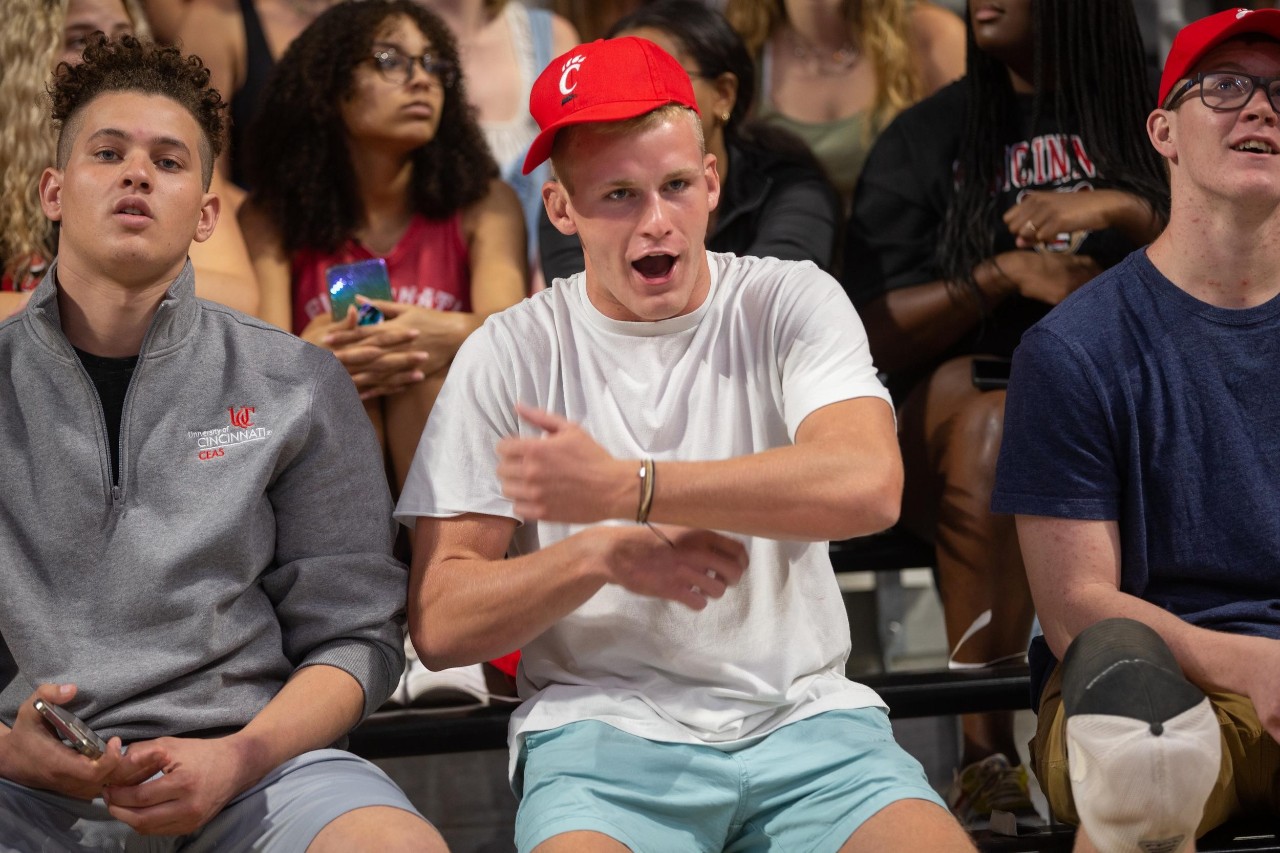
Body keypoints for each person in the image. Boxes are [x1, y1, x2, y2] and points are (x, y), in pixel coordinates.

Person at [397, 35, 977, 853]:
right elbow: (443, 622)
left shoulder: (788, 300)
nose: (656, 222)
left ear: (713, 180)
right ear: (560, 209)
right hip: (598, 740)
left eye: (675, 185)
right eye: (618, 195)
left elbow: (870, 484)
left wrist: (633, 485)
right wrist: (598, 553)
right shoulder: (510, 350)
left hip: (807, 722)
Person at [0, 34, 445, 851]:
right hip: (21, 783)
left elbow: (358, 634)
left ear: (207, 214)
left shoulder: (298, 380)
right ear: (54, 191)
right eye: (108, 152)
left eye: (170, 161)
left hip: (258, 768)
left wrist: (240, 757)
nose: (137, 173)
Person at [842, 0, 1169, 822]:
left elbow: (1243, 258)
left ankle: (1169, 724)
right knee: (999, 419)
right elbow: (866, 330)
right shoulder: (928, 135)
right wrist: (998, 276)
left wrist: (1124, 214)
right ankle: (984, 751)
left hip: (1134, 412)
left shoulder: (1169, 121)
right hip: (956, 422)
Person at [992, 8, 1280, 850]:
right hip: (1146, 684)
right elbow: (1079, 608)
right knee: (1139, 751)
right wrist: (1250, 664)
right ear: (1164, 131)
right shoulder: (1075, 349)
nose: (1261, 109)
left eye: (1279, 92)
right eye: (1226, 87)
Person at [240, 0, 526, 496]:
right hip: (328, 458)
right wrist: (313, 355)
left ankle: (451, 567)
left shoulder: (485, 203)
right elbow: (264, 374)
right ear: (327, 84)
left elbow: (514, 335)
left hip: (462, 441)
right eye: (390, 60)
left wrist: (448, 334)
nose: (422, 80)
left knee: (426, 379)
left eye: (435, 63)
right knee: (348, 388)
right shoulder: (271, 217)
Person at [538, 0, 841, 283]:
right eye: (619, 195)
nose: (634, 102)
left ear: (723, 94)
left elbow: (764, 308)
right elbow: (592, 318)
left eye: (658, 78)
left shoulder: (792, 188)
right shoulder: (576, 194)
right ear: (560, 209)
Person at [0, 0, 259, 317]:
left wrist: (94, 293)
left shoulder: (170, 152)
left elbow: (236, 297)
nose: (108, 54)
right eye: (80, 39)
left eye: (123, 38)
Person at [724, 0, 964, 208]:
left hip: (903, 251)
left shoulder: (933, 38)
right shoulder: (740, 42)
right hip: (782, 251)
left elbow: (975, 179)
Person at [419, 0, 579, 283]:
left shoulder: (550, 35)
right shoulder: (386, 36)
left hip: (541, 279)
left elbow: (578, 170)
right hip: (429, 279)